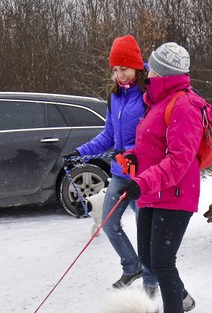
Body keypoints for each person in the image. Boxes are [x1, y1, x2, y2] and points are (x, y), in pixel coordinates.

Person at [119, 42, 212, 313]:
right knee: (148, 259)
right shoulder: (157, 100)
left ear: (162, 71)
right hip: (153, 191)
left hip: (176, 194)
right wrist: (133, 155)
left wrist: (143, 182)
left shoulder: (184, 105)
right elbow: (153, 146)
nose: (146, 71)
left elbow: (179, 160)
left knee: (162, 261)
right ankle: (182, 296)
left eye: (151, 67)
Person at [66, 35, 158, 292]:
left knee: (145, 231)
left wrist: (131, 152)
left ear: (137, 66)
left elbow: (153, 137)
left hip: (143, 175)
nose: (120, 75)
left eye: (124, 68)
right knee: (109, 222)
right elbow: (108, 136)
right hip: (119, 172)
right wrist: (80, 151)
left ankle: (151, 280)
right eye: (115, 69)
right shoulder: (114, 96)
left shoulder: (149, 94)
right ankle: (132, 266)